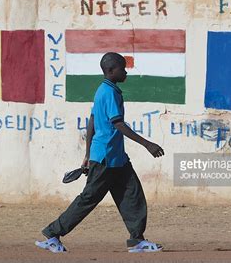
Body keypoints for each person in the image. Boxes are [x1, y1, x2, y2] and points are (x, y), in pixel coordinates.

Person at [35, 52, 164, 253]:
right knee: (88, 199)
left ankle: (137, 240)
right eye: (122, 68)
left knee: (133, 196)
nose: (126, 71)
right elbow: (118, 123)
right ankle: (53, 235)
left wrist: (87, 156)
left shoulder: (103, 91)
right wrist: (147, 144)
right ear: (111, 71)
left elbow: (92, 123)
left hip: (116, 159)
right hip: (105, 158)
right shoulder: (109, 92)